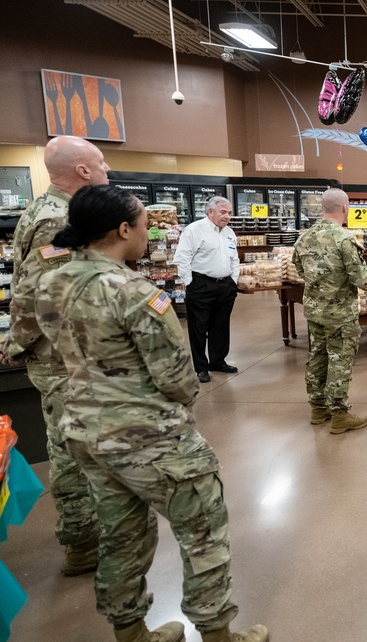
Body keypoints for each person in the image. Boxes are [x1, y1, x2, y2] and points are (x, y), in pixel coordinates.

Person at [35, 184, 268, 642]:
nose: (148, 232)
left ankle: (131, 632)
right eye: (143, 224)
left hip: (84, 431)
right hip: (150, 438)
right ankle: (218, 633)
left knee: (121, 534)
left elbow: (43, 347)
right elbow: (178, 380)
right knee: (202, 530)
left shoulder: (50, 280)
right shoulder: (132, 292)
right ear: (124, 229)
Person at [0, 135, 103, 576]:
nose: (106, 171)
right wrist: (17, 344)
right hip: (63, 356)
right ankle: (82, 542)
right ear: (81, 170)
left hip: (66, 352)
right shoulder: (56, 219)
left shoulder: (49, 210)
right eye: (100, 164)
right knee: (72, 447)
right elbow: (41, 293)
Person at [293, 188, 367, 433]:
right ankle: (340, 415)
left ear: (323, 208)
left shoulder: (304, 237)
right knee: (340, 360)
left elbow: (300, 271)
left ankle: (318, 408)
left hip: (314, 311)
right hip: (340, 313)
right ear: (344, 208)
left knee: (318, 357)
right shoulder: (344, 239)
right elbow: (360, 278)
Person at [173, 196, 240, 383]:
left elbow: (234, 258)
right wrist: (190, 283)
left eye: (229, 213)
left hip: (225, 285)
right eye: (223, 212)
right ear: (210, 212)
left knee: (220, 326)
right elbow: (182, 258)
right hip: (201, 285)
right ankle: (201, 367)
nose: (227, 216)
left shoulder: (229, 232)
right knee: (199, 327)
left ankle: (218, 361)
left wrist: (233, 280)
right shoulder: (194, 230)